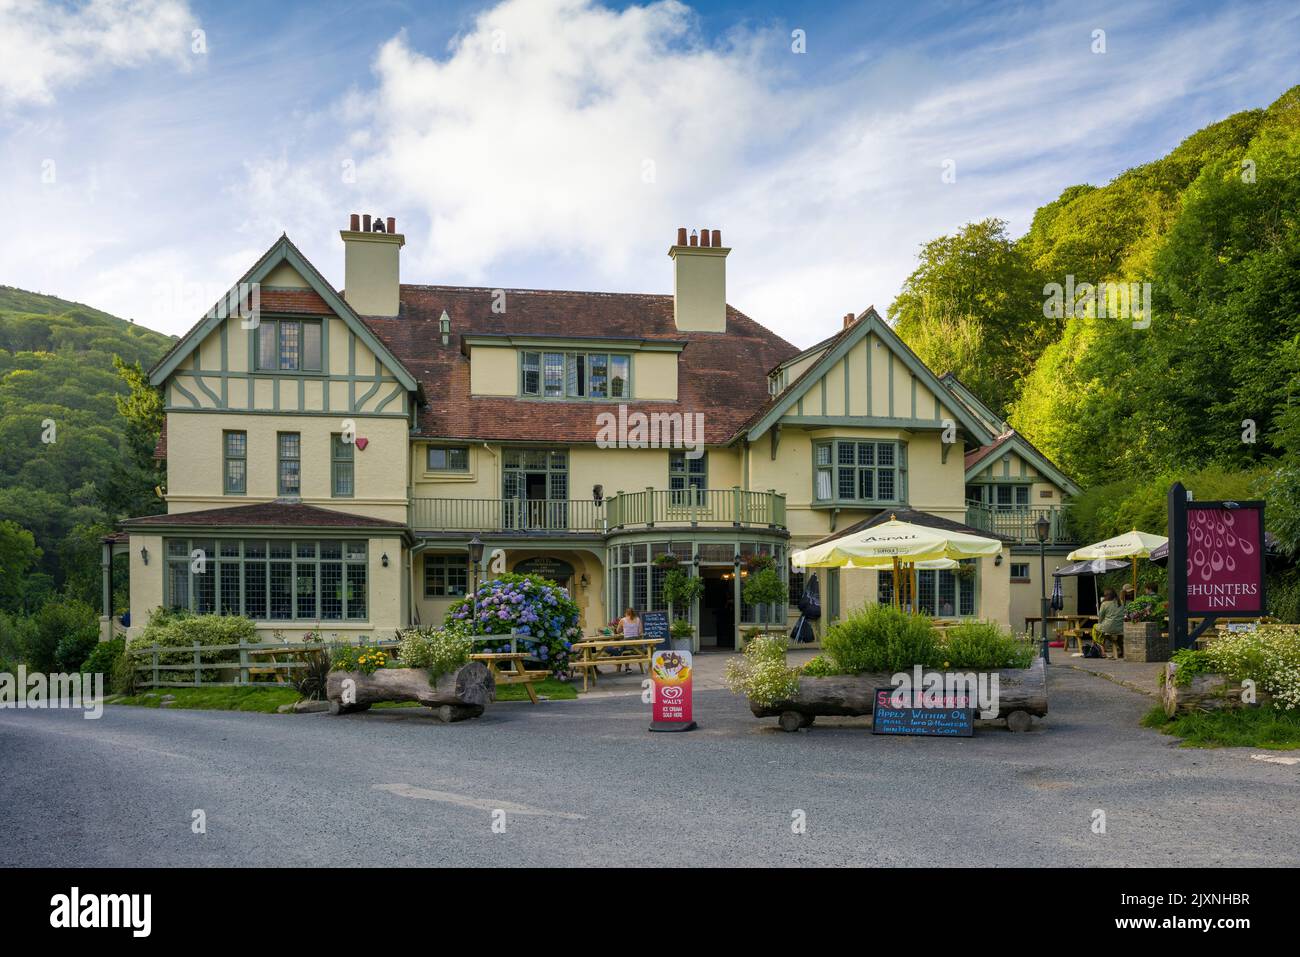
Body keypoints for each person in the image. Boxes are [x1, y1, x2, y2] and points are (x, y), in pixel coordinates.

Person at [1093, 588, 1125, 657]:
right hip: (1120, 628)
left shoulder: (1104, 604)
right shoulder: (1121, 602)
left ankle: (1101, 650)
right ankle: (1123, 651)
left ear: (1106, 596)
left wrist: (1099, 623)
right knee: (1118, 637)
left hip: (1108, 628)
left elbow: (1100, 618)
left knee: (1095, 627)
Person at [614, 607, 641, 673]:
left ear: (626, 613)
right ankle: (625, 667)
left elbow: (618, 631)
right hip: (637, 644)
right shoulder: (638, 619)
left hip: (627, 643)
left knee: (617, 648)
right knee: (623, 647)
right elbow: (640, 632)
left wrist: (624, 630)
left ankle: (623, 667)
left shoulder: (623, 620)